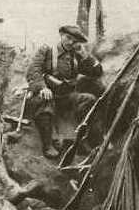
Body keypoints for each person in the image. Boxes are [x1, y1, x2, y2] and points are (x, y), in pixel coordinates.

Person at [26, 25, 104, 159]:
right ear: (61, 35)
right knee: (45, 101)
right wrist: (42, 87)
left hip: (65, 96)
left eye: (74, 40)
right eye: (68, 38)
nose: (70, 42)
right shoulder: (47, 50)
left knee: (89, 99)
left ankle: (83, 141)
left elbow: (97, 72)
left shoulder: (75, 55)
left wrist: (85, 55)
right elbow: (33, 71)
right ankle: (48, 144)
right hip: (46, 94)